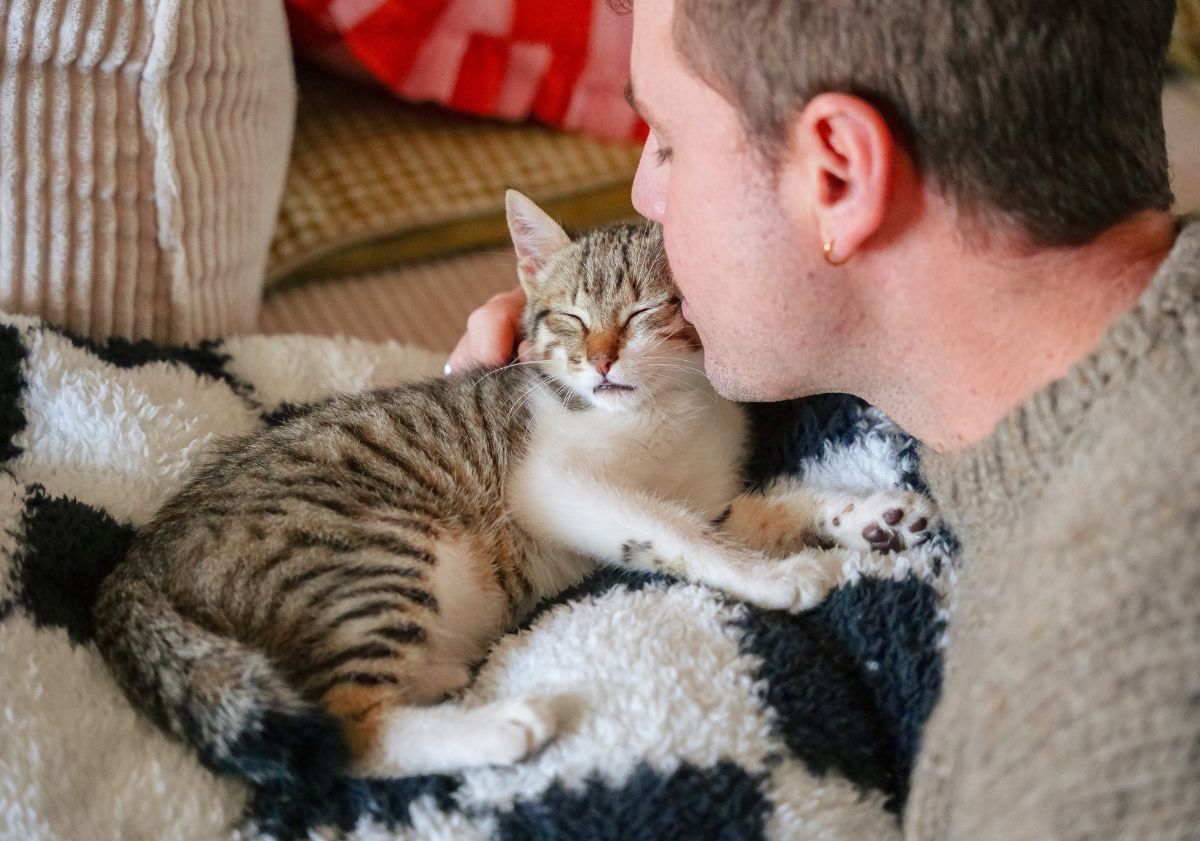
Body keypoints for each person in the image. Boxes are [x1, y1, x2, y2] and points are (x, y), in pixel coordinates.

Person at [450, 0, 1199, 837]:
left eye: (666, 142)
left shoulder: (1094, 739)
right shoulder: (968, 373)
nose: (645, 197)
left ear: (838, 175)